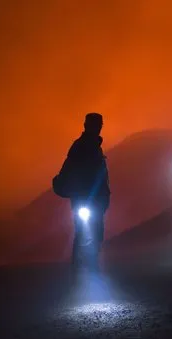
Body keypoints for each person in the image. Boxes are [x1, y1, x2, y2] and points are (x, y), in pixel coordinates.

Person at [53, 112, 110, 271]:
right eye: (95, 125)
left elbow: (100, 175)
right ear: (86, 125)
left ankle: (89, 269)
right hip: (84, 199)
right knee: (84, 233)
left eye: (99, 125)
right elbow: (69, 168)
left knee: (94, 233)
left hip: (93, 200)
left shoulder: (94, 148)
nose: (97, 128)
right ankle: (81, 270)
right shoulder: (80, 146)